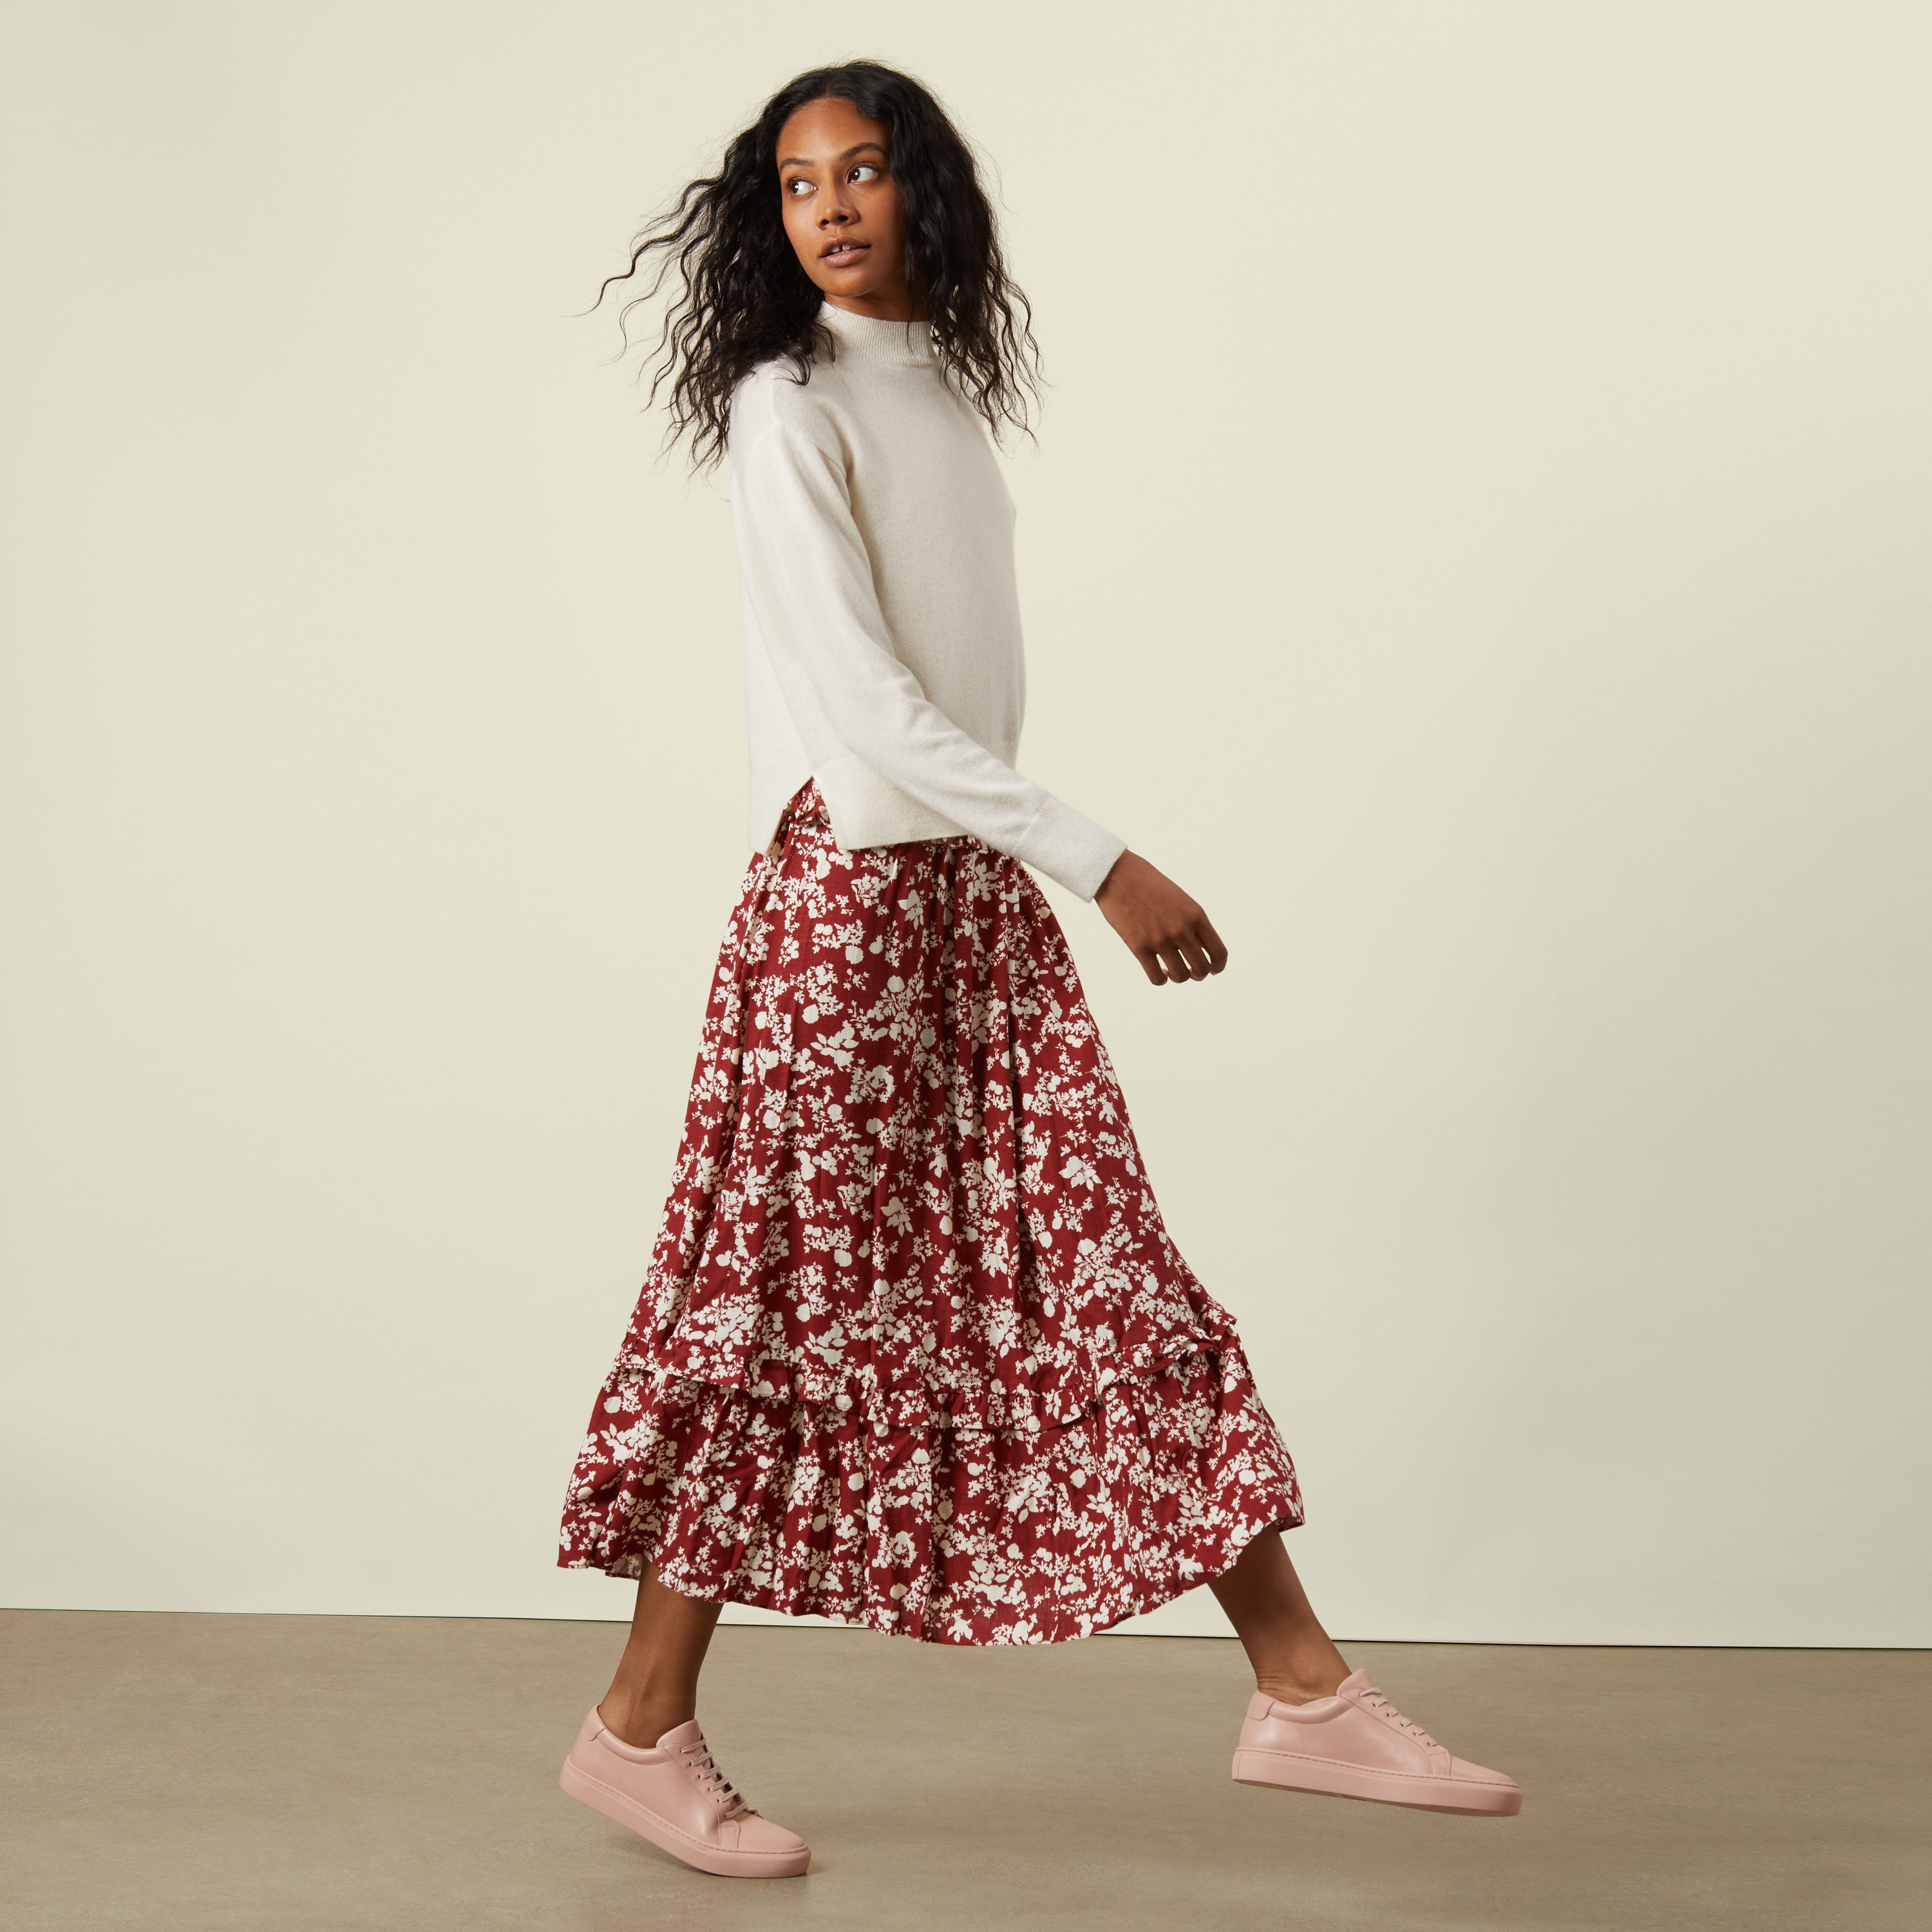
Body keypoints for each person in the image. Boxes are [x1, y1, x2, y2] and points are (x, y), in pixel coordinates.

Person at [554, 60, 1520, 1879]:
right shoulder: (786, 405)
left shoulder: (934, 388)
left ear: (924, 189)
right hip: (850, 904)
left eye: (862, 171)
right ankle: (635, 1727)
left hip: (965, 899)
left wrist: (1030, 863)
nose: (830, 207)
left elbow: (952, 684)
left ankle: (1302, 1692)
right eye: (795, 184)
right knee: (779, 1305)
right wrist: (1100, 858)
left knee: (1099, 1268)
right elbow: (864, 707)